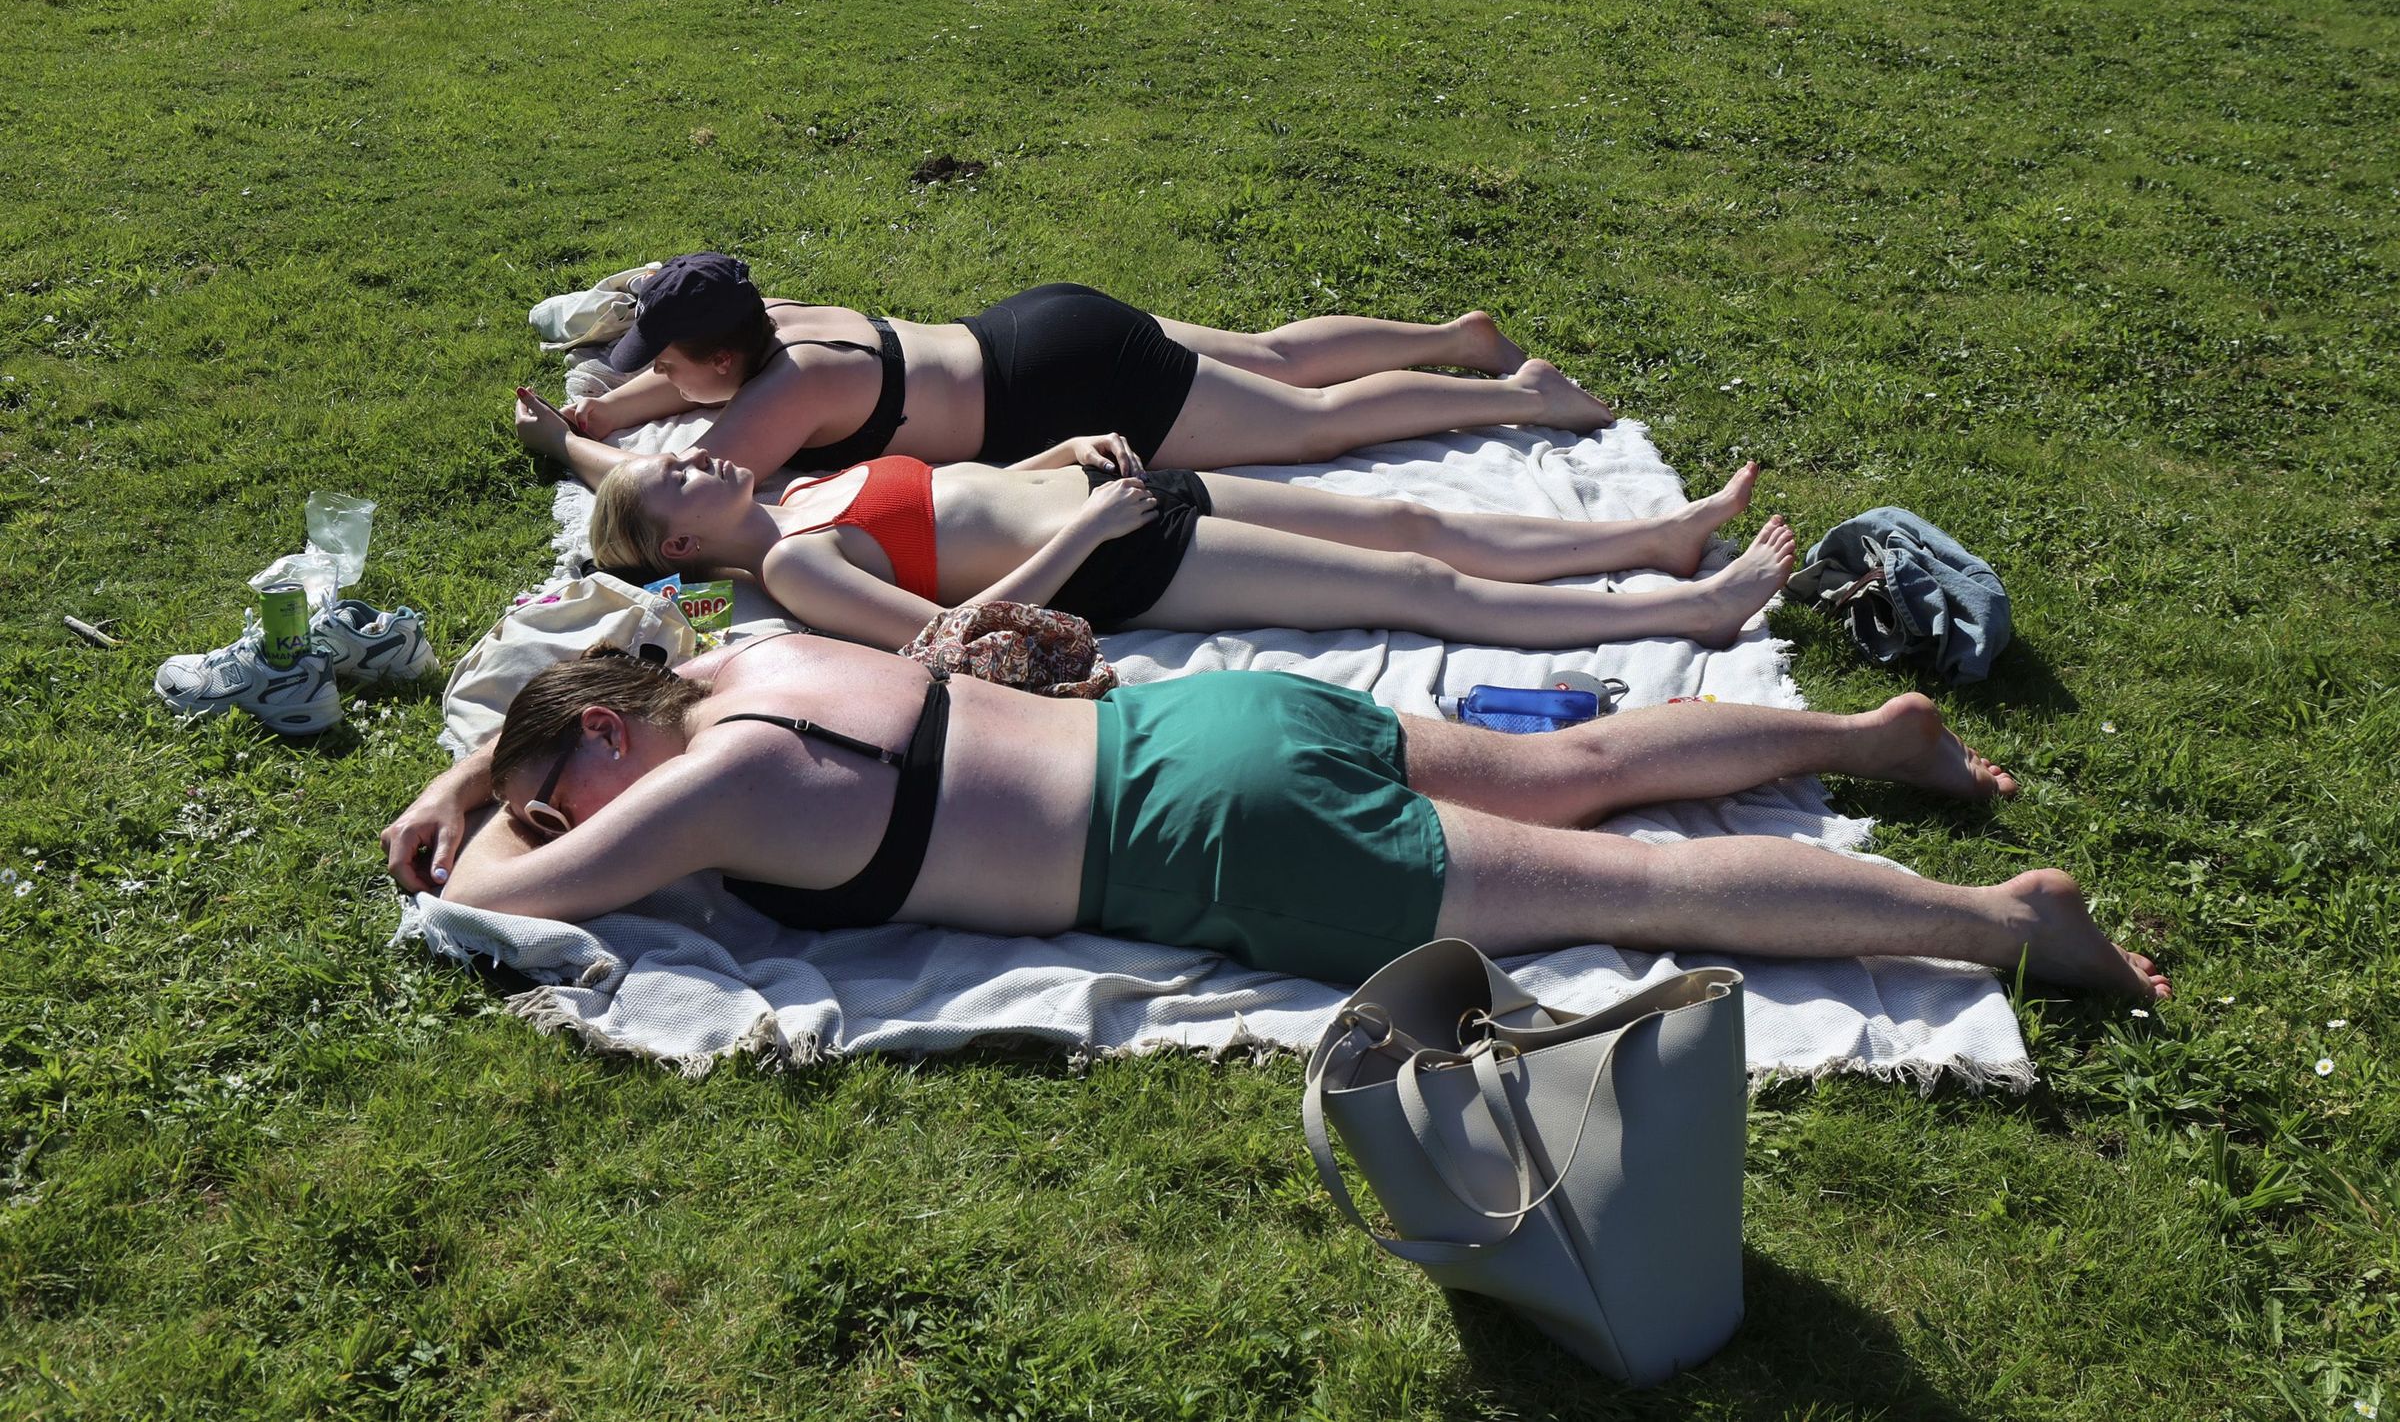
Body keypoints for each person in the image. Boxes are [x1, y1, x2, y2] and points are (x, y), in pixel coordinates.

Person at [381, 633, 2171, 1000]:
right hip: (1216, 714)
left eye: (560, 781)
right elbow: (589, 705)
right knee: (1582, 766)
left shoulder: (717, 779)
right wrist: (477, 765)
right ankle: (1873, 734)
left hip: (1220, 836)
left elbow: (515, 899)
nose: (557, 814)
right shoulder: (751, 660)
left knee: (1637, 889)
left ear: (608, 735)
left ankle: (2002, 920)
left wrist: (485, 811)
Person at [514, 389, 1796, 651]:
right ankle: (1690, 610)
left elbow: (965, 495)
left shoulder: (799, 494)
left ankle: (1649, 542)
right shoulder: (800, 565)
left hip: (1118, 497)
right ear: (681, 545)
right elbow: (951, 633)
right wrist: (1093, 529)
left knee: (1408, 515)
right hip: (1124, 559)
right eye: (679, 478)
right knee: (1415, 587)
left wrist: (1059, 458)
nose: (701, 456)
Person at [552, 253, 1614, 474]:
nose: (660, 383)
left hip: (1063, 387)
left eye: (669, 368)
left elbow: (674, 496)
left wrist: (567, 448)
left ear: (724, 355)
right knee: (1279, 355)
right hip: (1039, 322)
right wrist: (610, 408)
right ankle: (1457, 338)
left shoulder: (788, 392)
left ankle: (1524, 395)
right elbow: (678, 383)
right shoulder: (780, 320)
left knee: (1314, 425)